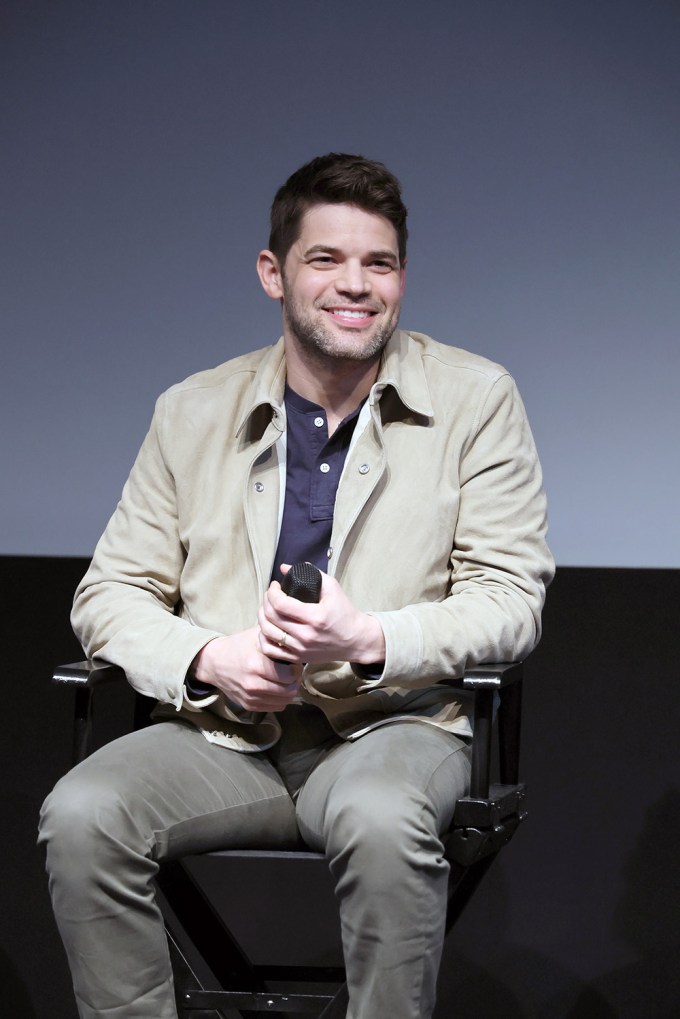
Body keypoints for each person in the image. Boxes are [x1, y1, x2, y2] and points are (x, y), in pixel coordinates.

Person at [39, 153, 554, 1019]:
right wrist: (211, 656)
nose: (356, 285)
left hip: (393, 728)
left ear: (401, 278)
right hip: (224, 735)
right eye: (327, 260)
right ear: (273, 274)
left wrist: (370, 639)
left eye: (379, 263)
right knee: (84, 813)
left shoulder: (476, 399)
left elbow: (511, 599)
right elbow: (109, 593)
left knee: (385, 825)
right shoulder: (191, 408)